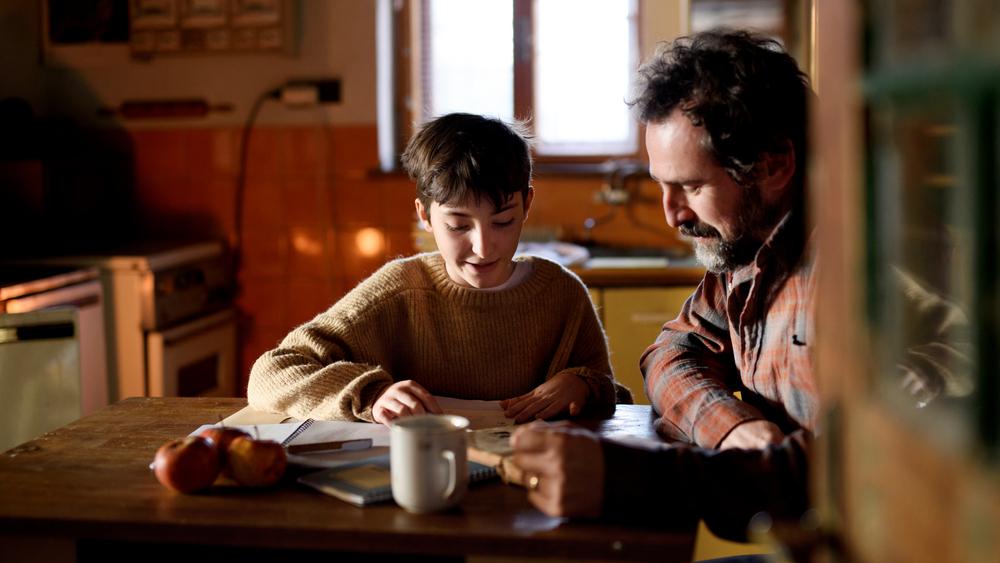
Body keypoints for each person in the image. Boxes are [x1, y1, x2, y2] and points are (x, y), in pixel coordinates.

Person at [512, 30, 814, 541]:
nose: (672, 215)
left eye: (692, 187)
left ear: (775, 165)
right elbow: (671, 353)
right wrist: (733, 427)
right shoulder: (745, 254)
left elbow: (863, 469)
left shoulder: (862, 268)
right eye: (661, 185)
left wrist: (625, 478)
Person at [247, 112, 624, 426]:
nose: (482, 246)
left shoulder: (561, 295)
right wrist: (372, 395)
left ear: (526, 205)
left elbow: (613, 397)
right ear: (424, 216)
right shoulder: (398, 291)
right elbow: (270, 374)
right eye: (459, 226)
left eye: (504, 222)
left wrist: (584, 384)